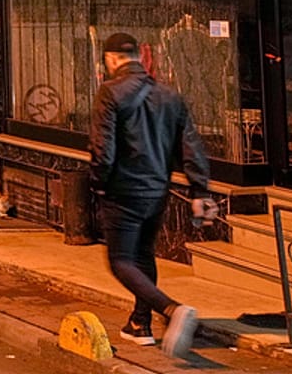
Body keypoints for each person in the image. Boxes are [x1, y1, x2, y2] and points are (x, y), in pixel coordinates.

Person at [89, 32, 214, 357]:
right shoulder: (169, 96)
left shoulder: (109, 92)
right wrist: (200, 189)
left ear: (111, 59)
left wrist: (98, 183)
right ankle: (139, 323)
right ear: (138, 57)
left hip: (123, 190)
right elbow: (190, 145)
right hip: (157, 189)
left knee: (121, 261)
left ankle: (172, 309)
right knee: (144, 255)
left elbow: (103, 147)